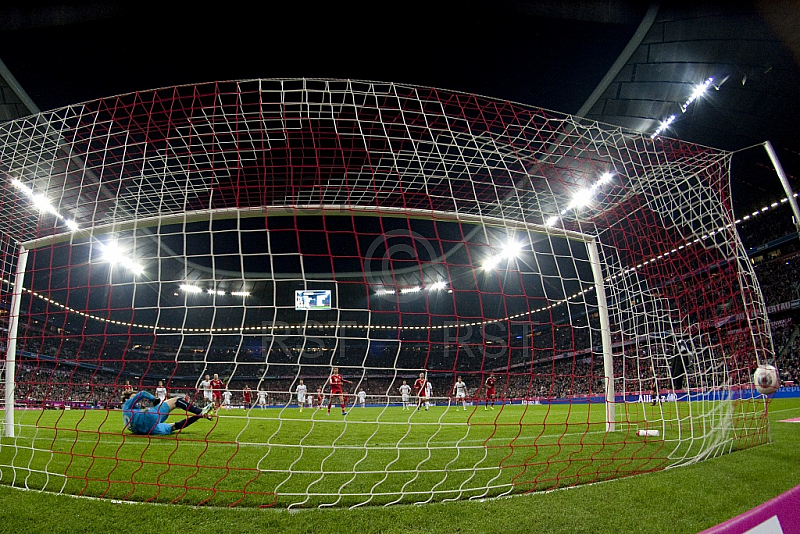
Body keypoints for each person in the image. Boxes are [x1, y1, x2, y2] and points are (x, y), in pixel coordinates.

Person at [121, 388, 213, 436]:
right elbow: (142, 393)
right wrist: (154, 399)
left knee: (174, 426)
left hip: (148, 430)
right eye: (133, 397)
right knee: (176, 400)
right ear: (126, 399)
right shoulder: (126, 405)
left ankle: (200, 415)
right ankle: (200, 411)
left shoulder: (126, 415)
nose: (135, 399)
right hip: (149, 417)